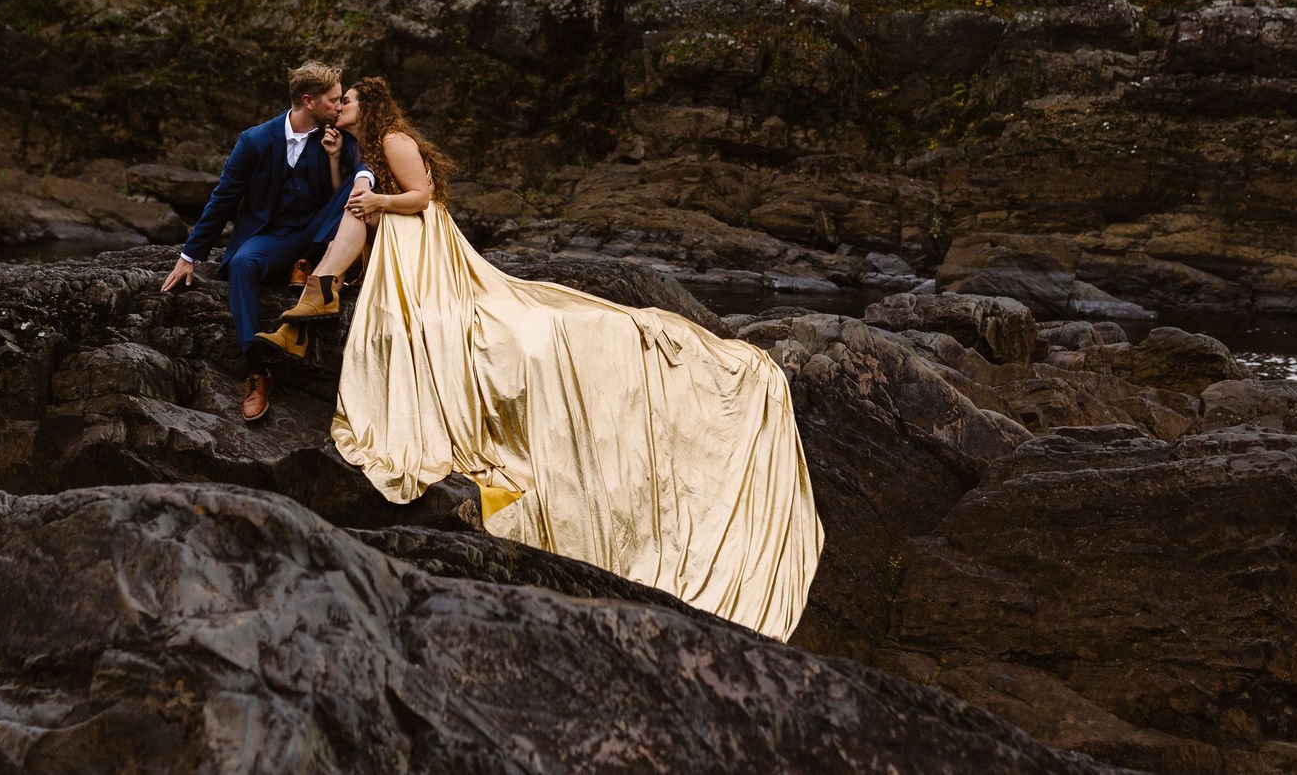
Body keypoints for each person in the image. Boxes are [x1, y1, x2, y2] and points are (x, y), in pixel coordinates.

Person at [318, 77, 824, 641]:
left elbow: (423, 198)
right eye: (339, 102)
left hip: (429, 248)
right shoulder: (363, 144)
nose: (341, 106)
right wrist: (344, 169)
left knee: (499, 326)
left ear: (370, 105)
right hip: (405, 247)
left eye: (349, 100)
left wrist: (381, 202)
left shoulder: (394, 141)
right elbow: (346, 200)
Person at [161, 62, 371, 422]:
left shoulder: (339, 136)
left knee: (357, 187)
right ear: (309, 101)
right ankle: (257, 371)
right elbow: (224, 198)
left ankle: (306, 262)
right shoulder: (255, 140)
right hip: (271, 238)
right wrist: (189, 255)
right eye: (334, 100)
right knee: (243, 263)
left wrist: (361, 176)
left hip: (317, 235)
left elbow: (367, 162)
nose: (340, 106)